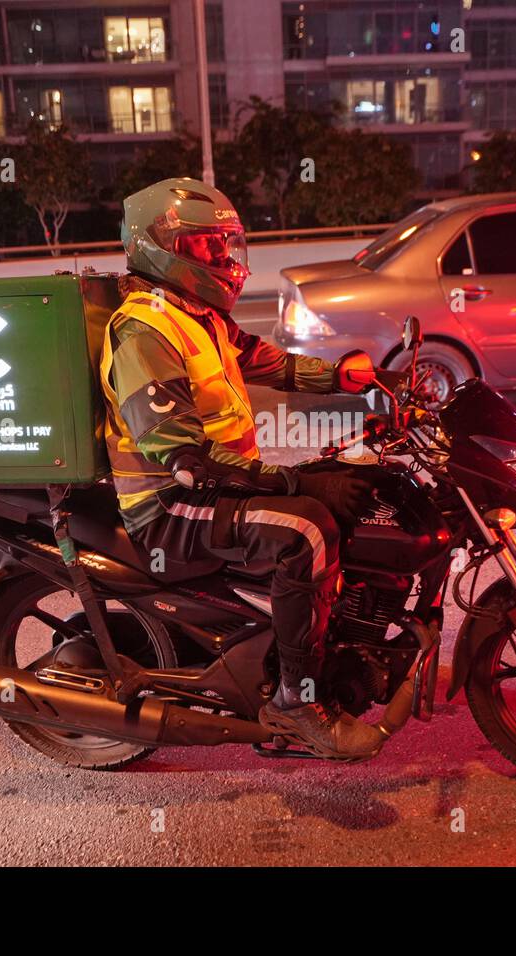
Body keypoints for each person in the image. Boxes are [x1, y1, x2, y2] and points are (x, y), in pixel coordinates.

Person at [99, 178, 402, 759]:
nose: (223, 258)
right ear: (162, 247)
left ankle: (334, 645)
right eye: (206, 245)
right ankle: (296, 702)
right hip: (168, 504)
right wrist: (295, 481)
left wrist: (346, 378)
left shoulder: (198, 315)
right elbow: (186, 458)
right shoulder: (144, 332)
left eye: (225, 245)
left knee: (359, 487)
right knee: (306, 530)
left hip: (213, 488)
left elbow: (264, 360)